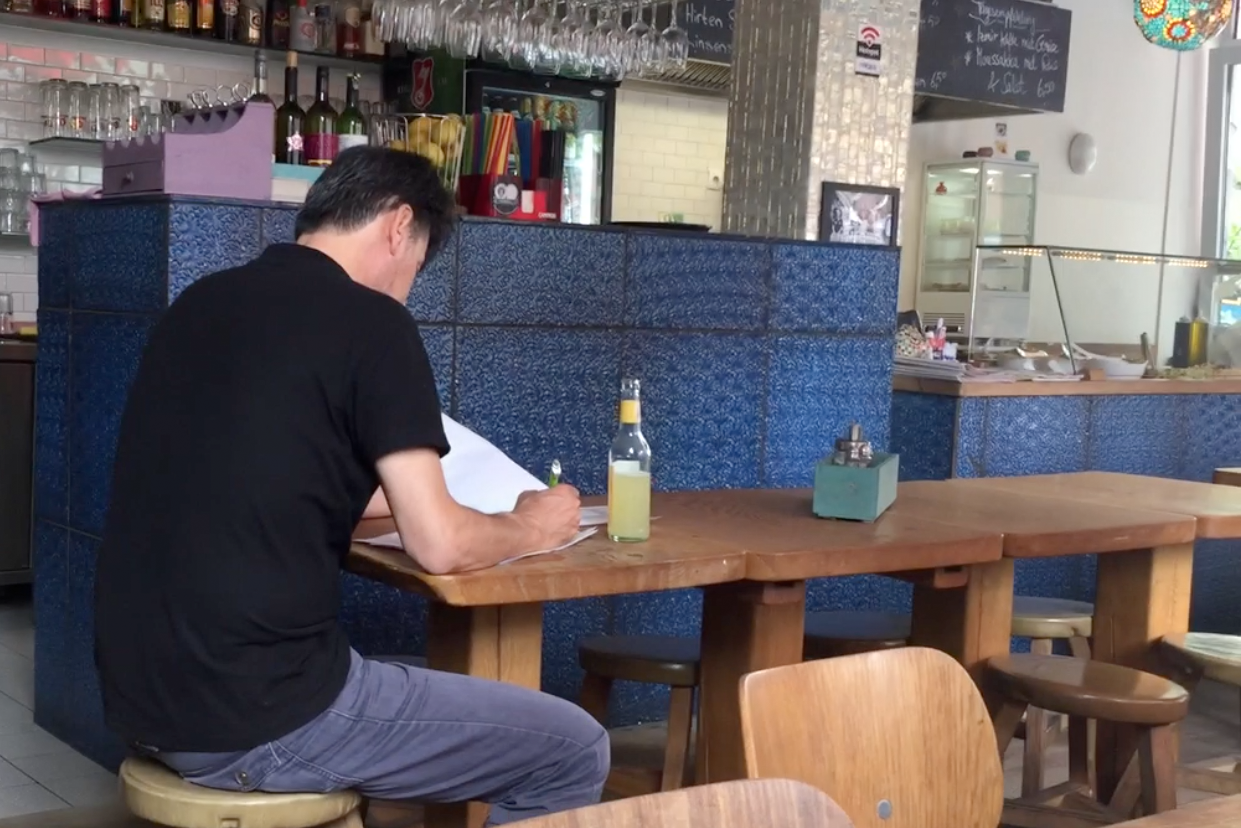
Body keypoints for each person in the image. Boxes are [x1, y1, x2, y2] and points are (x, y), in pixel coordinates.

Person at [93, 147, 610, 826]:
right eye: (417, 266)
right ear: (399, 226)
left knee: (429, 677)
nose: (408, 289)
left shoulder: (200, 303)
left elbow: (269, 475)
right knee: (573, 748)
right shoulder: (373, 322)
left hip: (140, 698)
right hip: (257, 715)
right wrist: (532, 525)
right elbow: (440, 546)